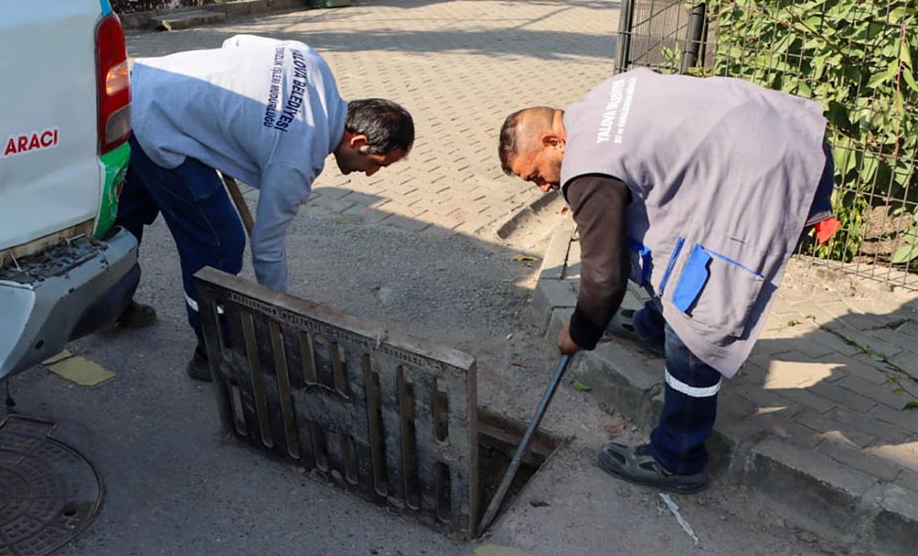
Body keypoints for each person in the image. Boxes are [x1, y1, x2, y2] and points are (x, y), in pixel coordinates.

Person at [497, 68, 837, 493]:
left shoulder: (588, 169)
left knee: (698, 318)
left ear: (553, 141)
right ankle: (652, 327)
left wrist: (581, 332)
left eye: (537, 175)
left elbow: (604, 277)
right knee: (668, 243)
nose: (546, 187)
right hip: (789, 131)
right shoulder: (602, 98)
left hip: (775, 170)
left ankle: (678, 460)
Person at [115, 35, 415, 381]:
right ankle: (213, 350)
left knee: (126, 217)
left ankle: (108, 304)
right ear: (359, 141)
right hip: (160, 125)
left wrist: (230, 120)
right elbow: (267, 248)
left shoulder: (313, 63)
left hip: (140, 86)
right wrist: (279, 309)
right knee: (219, 244)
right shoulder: (297, 161)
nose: (371, 173)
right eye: (377, 163)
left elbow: (235, 44)